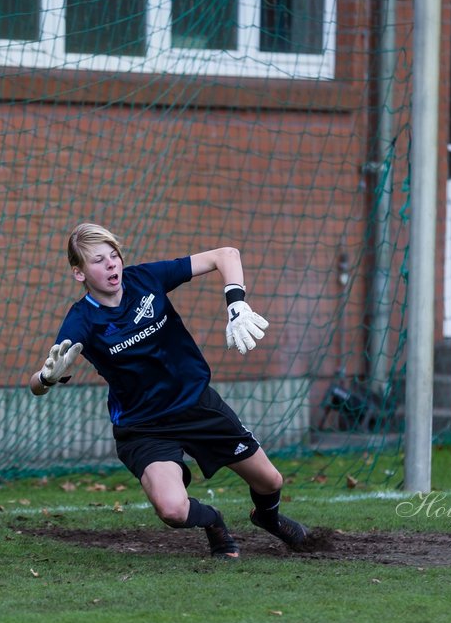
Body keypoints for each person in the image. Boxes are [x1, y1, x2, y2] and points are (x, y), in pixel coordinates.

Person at [28, 222, 309, 559]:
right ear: (79, 273)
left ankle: (268, 519)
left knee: (270, 481)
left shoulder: (146, 279)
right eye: (98, 260)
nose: (111, 264)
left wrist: (236, 305)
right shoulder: (82, 319)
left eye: (114, 255)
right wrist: (47, 378)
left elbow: (225, 255)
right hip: (144, 426)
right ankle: (214, 522)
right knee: (173, 510)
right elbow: (38, 384)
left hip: (196, 405)